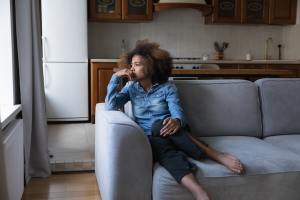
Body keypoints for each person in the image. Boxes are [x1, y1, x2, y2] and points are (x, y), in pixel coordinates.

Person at [105, 40, 244, 200]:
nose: (131, 68)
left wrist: (176, 121)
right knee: (166, 154)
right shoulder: (131, 87)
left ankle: (214, 154)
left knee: (161, 126)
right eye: (131, 65)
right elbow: (110, 105)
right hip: (152, 138)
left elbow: (178, 113)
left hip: (175, 132)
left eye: (137, 64)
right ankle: (199, 192)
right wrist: (115, 77)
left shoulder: (167, 88)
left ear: (151, 66)